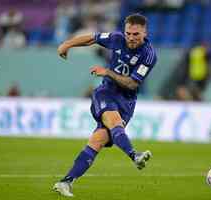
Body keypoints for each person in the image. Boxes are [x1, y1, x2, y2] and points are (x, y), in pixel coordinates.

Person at [53, 13, 157, 197]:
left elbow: (133, 83)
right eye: (128, 33)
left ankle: (65, 182)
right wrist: (67, 44)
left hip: (127, 101)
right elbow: (91, 39)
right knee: (113, 120)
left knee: (98, 141)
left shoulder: (148, 55)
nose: (131, 38)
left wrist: (108, 72)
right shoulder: (116, 38)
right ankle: (135, 156)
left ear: (144, 33)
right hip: (106, 93)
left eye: (136, 34)